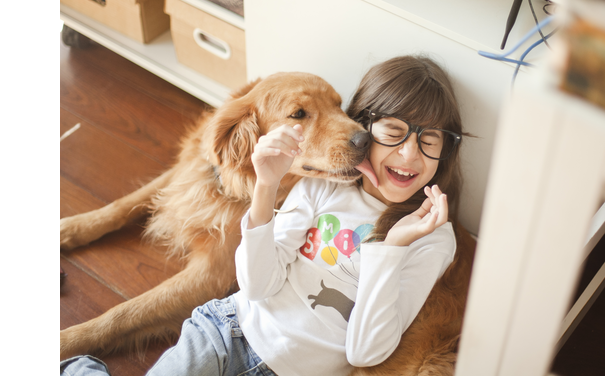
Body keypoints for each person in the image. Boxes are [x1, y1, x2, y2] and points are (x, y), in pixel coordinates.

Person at [60, 55, 466, 376]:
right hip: (226, 331)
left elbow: (367, 351)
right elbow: (254, 284)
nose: (409, 153)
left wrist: (391, 247)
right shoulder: (317, 187)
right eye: (393, 133)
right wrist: (265, 186)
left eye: (429, 140)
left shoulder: (429, 239)